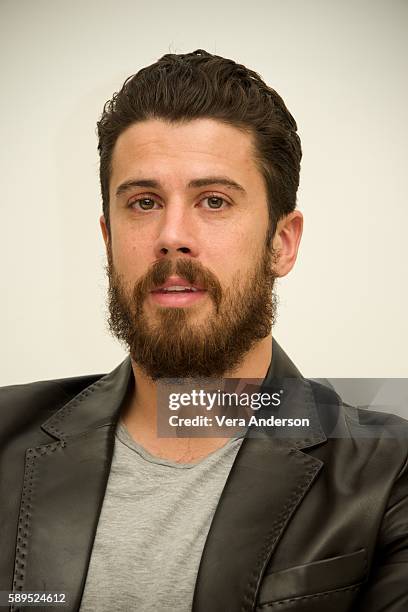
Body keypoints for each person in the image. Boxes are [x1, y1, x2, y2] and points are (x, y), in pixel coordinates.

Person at [0, 49, 407, 612]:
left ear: (282, 243)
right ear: (107, 239)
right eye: (143, 202)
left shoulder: (388, 472)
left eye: (213, 201)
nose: (172, 235)